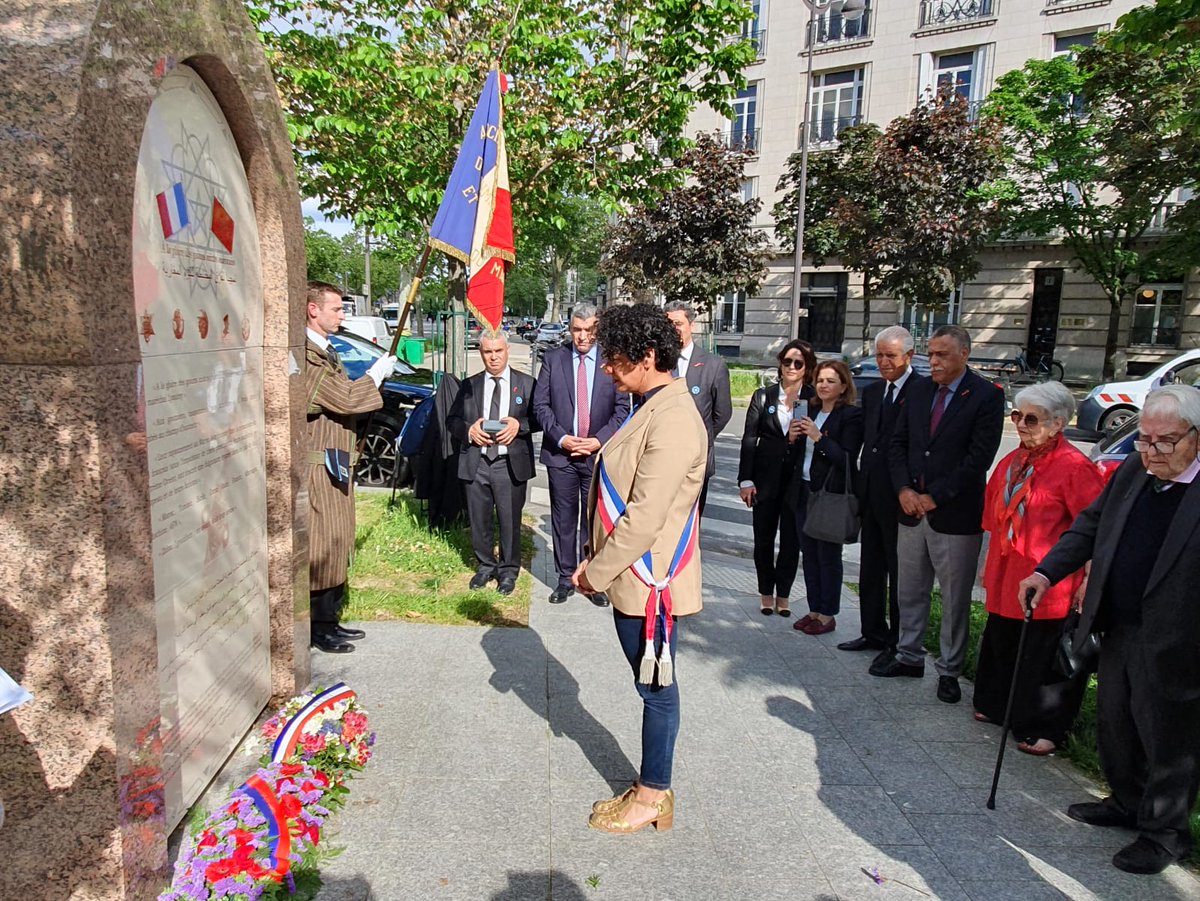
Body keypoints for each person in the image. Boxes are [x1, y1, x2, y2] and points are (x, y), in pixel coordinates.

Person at [1019, 385, 1200, 875]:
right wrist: (1046, 572)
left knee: (1168, 736)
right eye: (1143, 439)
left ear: (1196, 438)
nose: (1150, 451)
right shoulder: (1135, 472)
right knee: (1116, 718)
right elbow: (1089, 526)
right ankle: (1126, 800)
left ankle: (1165, 833)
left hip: (1180, 637)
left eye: (1165, 442)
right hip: (1118, 622)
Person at [572, 303, 707, 835]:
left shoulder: (672, 417)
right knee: (651, 684)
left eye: (615, 357)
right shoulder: (653, 404)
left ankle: (653, 794)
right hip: (630, 572)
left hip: (651, 580)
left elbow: (645, 518)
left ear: (647, 356)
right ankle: (652, 786)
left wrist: (594, 572)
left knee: (656, 688)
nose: (607, 367)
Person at [874, 325, 1004, 705]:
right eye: (930, 354)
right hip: (911, 510)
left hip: (955, 514)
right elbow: (897, 444)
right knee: (909, 590)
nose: (933, 362)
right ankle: (909, 655)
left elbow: (978, 457)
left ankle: (949, 670)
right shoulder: (919, 390)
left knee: (953, 598)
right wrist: (903, 489)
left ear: (964, 354)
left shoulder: (985, 396)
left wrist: (936, 496)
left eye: (942, 355)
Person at [974, 381, 1104, 755]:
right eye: (1017, 415)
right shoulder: (1013, 460)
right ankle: (1000, 707)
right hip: (1008, 569)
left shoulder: (1074, 467)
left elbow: (1093, 530)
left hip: (1051, 579)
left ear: (1059, 423)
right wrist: (987, 565)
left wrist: (1087, 581)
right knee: (1004, 640)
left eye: (1032, 418)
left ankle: (1043, 726)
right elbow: (993, 519)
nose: (1021, 424)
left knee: (1044, 654)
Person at [304, 280, 397, 653]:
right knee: (323, 541)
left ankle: (330, 619)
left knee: (338, 538)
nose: (343, 315)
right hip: (318, 467)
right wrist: (375, 375)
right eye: (336, 309)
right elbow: (344, 398)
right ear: (313, 309)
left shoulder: (327, 352)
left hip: (335, 464)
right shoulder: (307, 356)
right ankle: (315, 626)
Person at [533, 304, 629, 606]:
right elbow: (541, 406)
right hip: (561, 455)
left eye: (589, 330)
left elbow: (622, 410)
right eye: (577, 329)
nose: (583, 336)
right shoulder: (553, 359)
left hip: (596, 456)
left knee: (594, 521)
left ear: (597, 329)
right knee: (563, 519)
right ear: (570, 328)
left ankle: (592, 579)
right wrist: (561, 438)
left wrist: (597, 442)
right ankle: (564, 578)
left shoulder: (611, 361)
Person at [839, 326, 925, 659]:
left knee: (899, 572)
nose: (884, 362)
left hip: (901, 496)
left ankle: (898, 642)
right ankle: (872, 631)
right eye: (879, 355)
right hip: (872, 493)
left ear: (908, 356)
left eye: (891, 355)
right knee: (871, 568)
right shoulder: (874, 392)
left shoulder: (922, 390)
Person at [447, 332, 539, 595]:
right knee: (480, 519)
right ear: (481, 352)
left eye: (498, 351)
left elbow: (541, 418)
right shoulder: (470, 386)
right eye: (488, 352)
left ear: (507, 350)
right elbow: (451, 420)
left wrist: (518, 425)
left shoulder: (526, 383)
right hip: (478, 461)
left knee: (510, 520)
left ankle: (509, 571)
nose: (494, 357)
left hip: (508, 463)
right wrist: (469, 430)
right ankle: (486, 566)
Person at [737, 340, 816, 617]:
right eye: (787, 362)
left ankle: (784, 594)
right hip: (765, 478)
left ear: (807, 368)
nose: (792, 368)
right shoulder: (763, 396)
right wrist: (745, 480)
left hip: (797, 480)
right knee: (763, 539)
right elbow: (749, 439)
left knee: (792, 541)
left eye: (799, 363)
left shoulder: (813, 398)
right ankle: (765, 593)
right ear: (780, 364)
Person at [788, 361, 863, 636]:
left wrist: (819, 438)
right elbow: (796, 453)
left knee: (828, 555)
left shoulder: (851, 416)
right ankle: (814, 609)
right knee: (808, 554)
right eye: (820, 380)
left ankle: (828, 613)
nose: (823, 385)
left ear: (843, 386)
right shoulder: (809, 410)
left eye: (831, 381)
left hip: (828, 495)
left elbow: (846, 457)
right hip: (803, 490)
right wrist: (793, 438)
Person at [663, 301, 732, 514]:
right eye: (668, 325)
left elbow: (722, 414)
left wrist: (698, 437)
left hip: (696, 462)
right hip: (661, 459)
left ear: (691, 325)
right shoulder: (658, 361)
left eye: (678, 323)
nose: (673, 330)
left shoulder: (713, 365)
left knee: (688, 528)